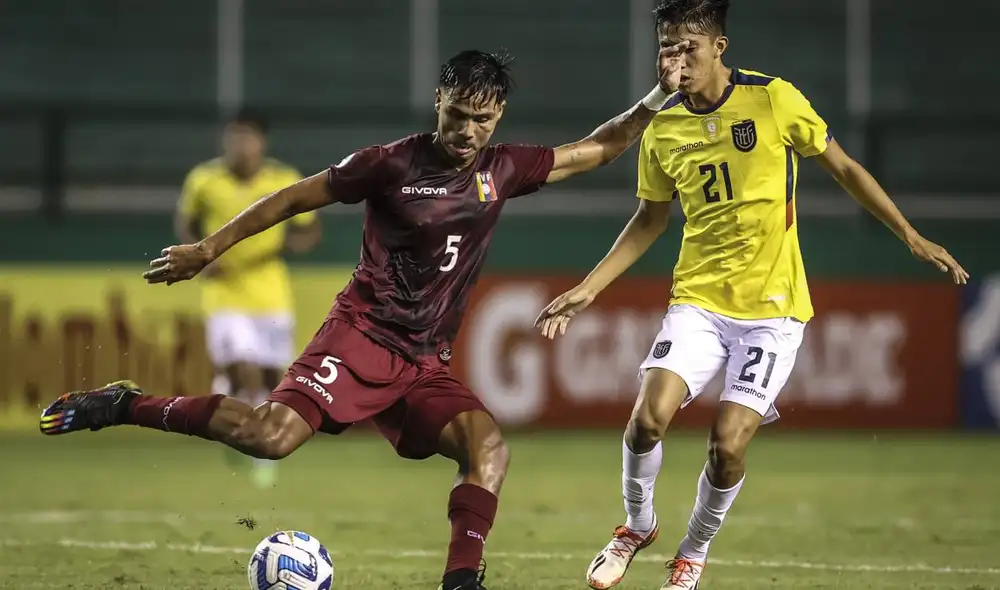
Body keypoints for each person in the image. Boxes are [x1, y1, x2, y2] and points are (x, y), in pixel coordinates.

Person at [38, 46, 687, 590]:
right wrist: (209, 248)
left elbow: (599, 149)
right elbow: (294, 197)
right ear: (438, 101)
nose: (467, 132)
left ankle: (462, 580)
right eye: (457, 115)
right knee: (270, 438)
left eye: (481, 120)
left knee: (487, 451)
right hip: (360, 337)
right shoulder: (389, 164)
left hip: (423, 360)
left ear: (498, 117)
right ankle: (123, 405)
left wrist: (658, 96)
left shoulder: (504, 169)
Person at [533, 1, 969, 589]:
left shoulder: (772, 98)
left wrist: (909, 234)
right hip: (699, 301)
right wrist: (589, 288)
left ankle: (693, 552)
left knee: (727, 445)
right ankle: (637, 526)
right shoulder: (660, 125)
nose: (675, 57)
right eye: (666, 45)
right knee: (645, 422)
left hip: (774, 310)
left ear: (719, 47)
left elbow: (843, 167)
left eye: (688, 45)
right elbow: (648, 219)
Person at [175, 107, 321, 487]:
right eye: (234, 137)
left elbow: (309, 229)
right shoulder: (204, 180)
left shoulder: (283, 179)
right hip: (224, 294)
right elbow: (186, 222)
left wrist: (286, 245)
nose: (240, 146)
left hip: (271, 293)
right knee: (244, 369)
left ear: (261, 142)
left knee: (273, 379)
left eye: (248, 137)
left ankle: (251, 440)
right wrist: (198, 256)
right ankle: (236, 431)